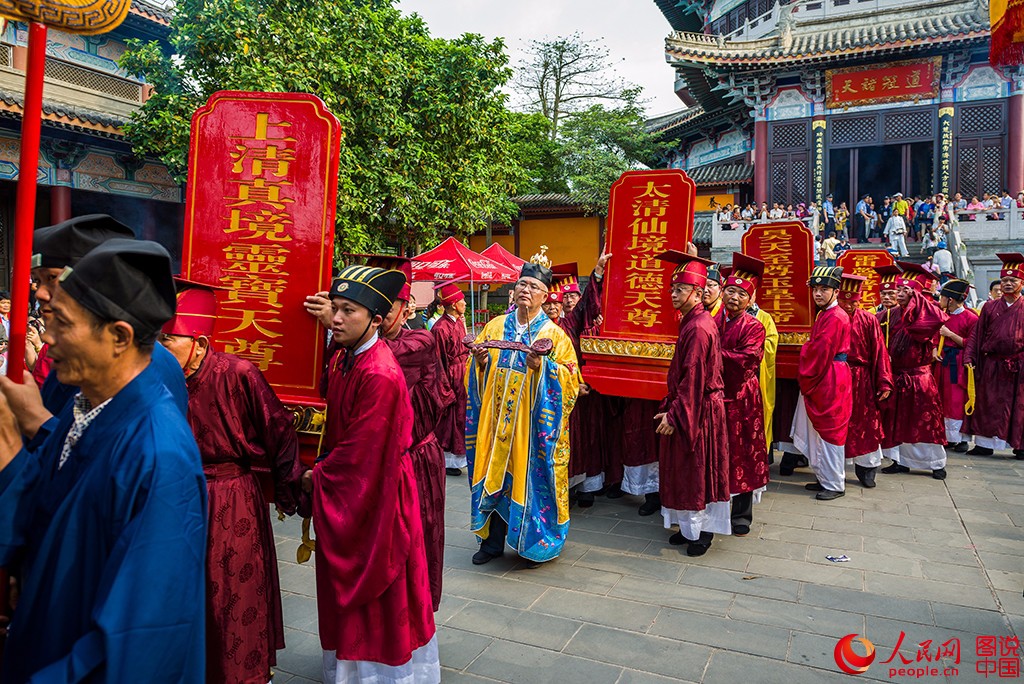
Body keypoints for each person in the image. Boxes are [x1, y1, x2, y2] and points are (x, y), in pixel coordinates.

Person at [0, 240, 206, 683]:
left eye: (63, 323)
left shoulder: (158, 454)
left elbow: (141, 637)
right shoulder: (89, 407)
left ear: (118, 337)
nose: (47, 338)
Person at [159, 281, 305, 684]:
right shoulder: (161, 377)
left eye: (169, 339)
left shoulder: (239, 374)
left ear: (200, 343)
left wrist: (289, 491)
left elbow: (279, 431)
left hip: (230, 497)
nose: (160, 347)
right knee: (185, 593)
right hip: (179, 497)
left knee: (232, 592)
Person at [313, 264, 439, 683]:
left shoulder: (379, 373)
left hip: (376, 491)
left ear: (376, 320)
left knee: (379, 588)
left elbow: (360, 455)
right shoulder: (345, 359)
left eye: (348, 310)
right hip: (362, 483)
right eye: (334, 308)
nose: (335, 319)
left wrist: (315, 477)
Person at [24, 215, 187, 431]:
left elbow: (96, 449)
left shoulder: (145, 364)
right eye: (37, 281)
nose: (41, 293)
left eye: (52, 278)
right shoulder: (70, 354)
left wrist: (32, 420)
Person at [465, 261, 580, 566]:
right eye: (522, 285)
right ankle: (491, 544)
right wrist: (479, 363)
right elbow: (477, 371)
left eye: (533, 287)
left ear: (545, 296)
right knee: (494, 477)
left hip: (531, 429)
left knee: (530, 480)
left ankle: (533, 543)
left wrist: (543, 368)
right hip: (495, 423)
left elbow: (571, 380)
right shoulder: (494, 327)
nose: (525, 291)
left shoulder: (555, 335)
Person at [653, 250, 731, 556]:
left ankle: (701, 533)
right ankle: (689, 529)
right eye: (672, 289)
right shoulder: (693, 320)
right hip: (692, 404)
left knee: (697, 471)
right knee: (686, 471)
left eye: (680, 289)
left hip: (699, 409)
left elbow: (694, 379)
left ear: (697, 293)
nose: (673, 294)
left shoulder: (698, 327)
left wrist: (675, 416)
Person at [879, 262, 950, 479]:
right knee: (897, 421)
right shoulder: (890, 315)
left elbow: (933, 322)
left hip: (920, 378)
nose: (899, 294)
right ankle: (899, 460)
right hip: (897, 376)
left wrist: (916, 298)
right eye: (897, 289)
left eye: (904, 290)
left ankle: (936, 463)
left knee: (925, 422)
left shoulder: (926, 312)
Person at [792, 266, 853, 500]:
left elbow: (820, 350)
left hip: (830, 376)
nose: (818, 294)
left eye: (824, 289)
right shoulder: (826, 314)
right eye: (815, 289)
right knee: (823, 430)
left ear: (836, 292)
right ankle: (824, 477)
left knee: (831, 430)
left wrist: (805, 347)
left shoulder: (835, 316)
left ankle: (835, 483)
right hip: (829, 372)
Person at [718, 254, 768, 536]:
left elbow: (747, 359)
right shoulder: (715, 321)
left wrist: (712, 354)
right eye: (730, 290)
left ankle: (742, 514)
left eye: (741, 293)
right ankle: (718, 507)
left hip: (742, 398)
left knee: (744, 453)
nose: (734, 297)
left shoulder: (754, 326)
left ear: (750, 300)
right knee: (720, 452)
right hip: (716, 395)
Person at [963, 253, 1024, 458]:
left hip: (1018, 366)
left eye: (1012, 280)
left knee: (1018, 406)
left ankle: (1020, 445)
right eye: (1004, 280)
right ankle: (983, 444)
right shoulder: (989, 307)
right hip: (991, 364)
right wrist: (970, 357)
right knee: (987, 404)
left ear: (1021, 282)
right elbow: (977, 335)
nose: (1007, 284)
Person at [836, 274, 893, 488]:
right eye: (845, 301)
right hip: (837, 378)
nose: (850, 305)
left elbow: (880, 352)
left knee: (866, 424)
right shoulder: (829, 316)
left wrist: (884, 381)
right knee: (837, 425)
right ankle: (833, 469)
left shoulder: (869, 319)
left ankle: (867, 468)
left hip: (862, 379)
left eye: (854, 301)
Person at [934, 279, 978, 453]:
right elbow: (933, 336)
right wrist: (932, 349)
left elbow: (972, 343)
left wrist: (950, 335)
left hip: (958, 363)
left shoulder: (971, 317)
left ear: (950, 299)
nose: (940, 300)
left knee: (956, 399)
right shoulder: (941, 315)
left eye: (942, 297)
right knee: (941, 397)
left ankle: (960, 438)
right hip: (941, 361)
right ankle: (945, 435)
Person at [432, 282, 470, 476]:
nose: (465, 302)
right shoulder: (440, 328)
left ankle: (458, 459)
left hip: (462, 375)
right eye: (462, 299)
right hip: (451, 377)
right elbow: (437, 362)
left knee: (461, 418)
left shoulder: (458, 323)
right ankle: (448, 460)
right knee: (450, 420)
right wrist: (445, 389)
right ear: (454, 304)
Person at [749, 293, 779, 453]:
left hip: (757, 374)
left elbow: (771, 342)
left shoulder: (764, 317)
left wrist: (751, 347)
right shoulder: (726, 316)